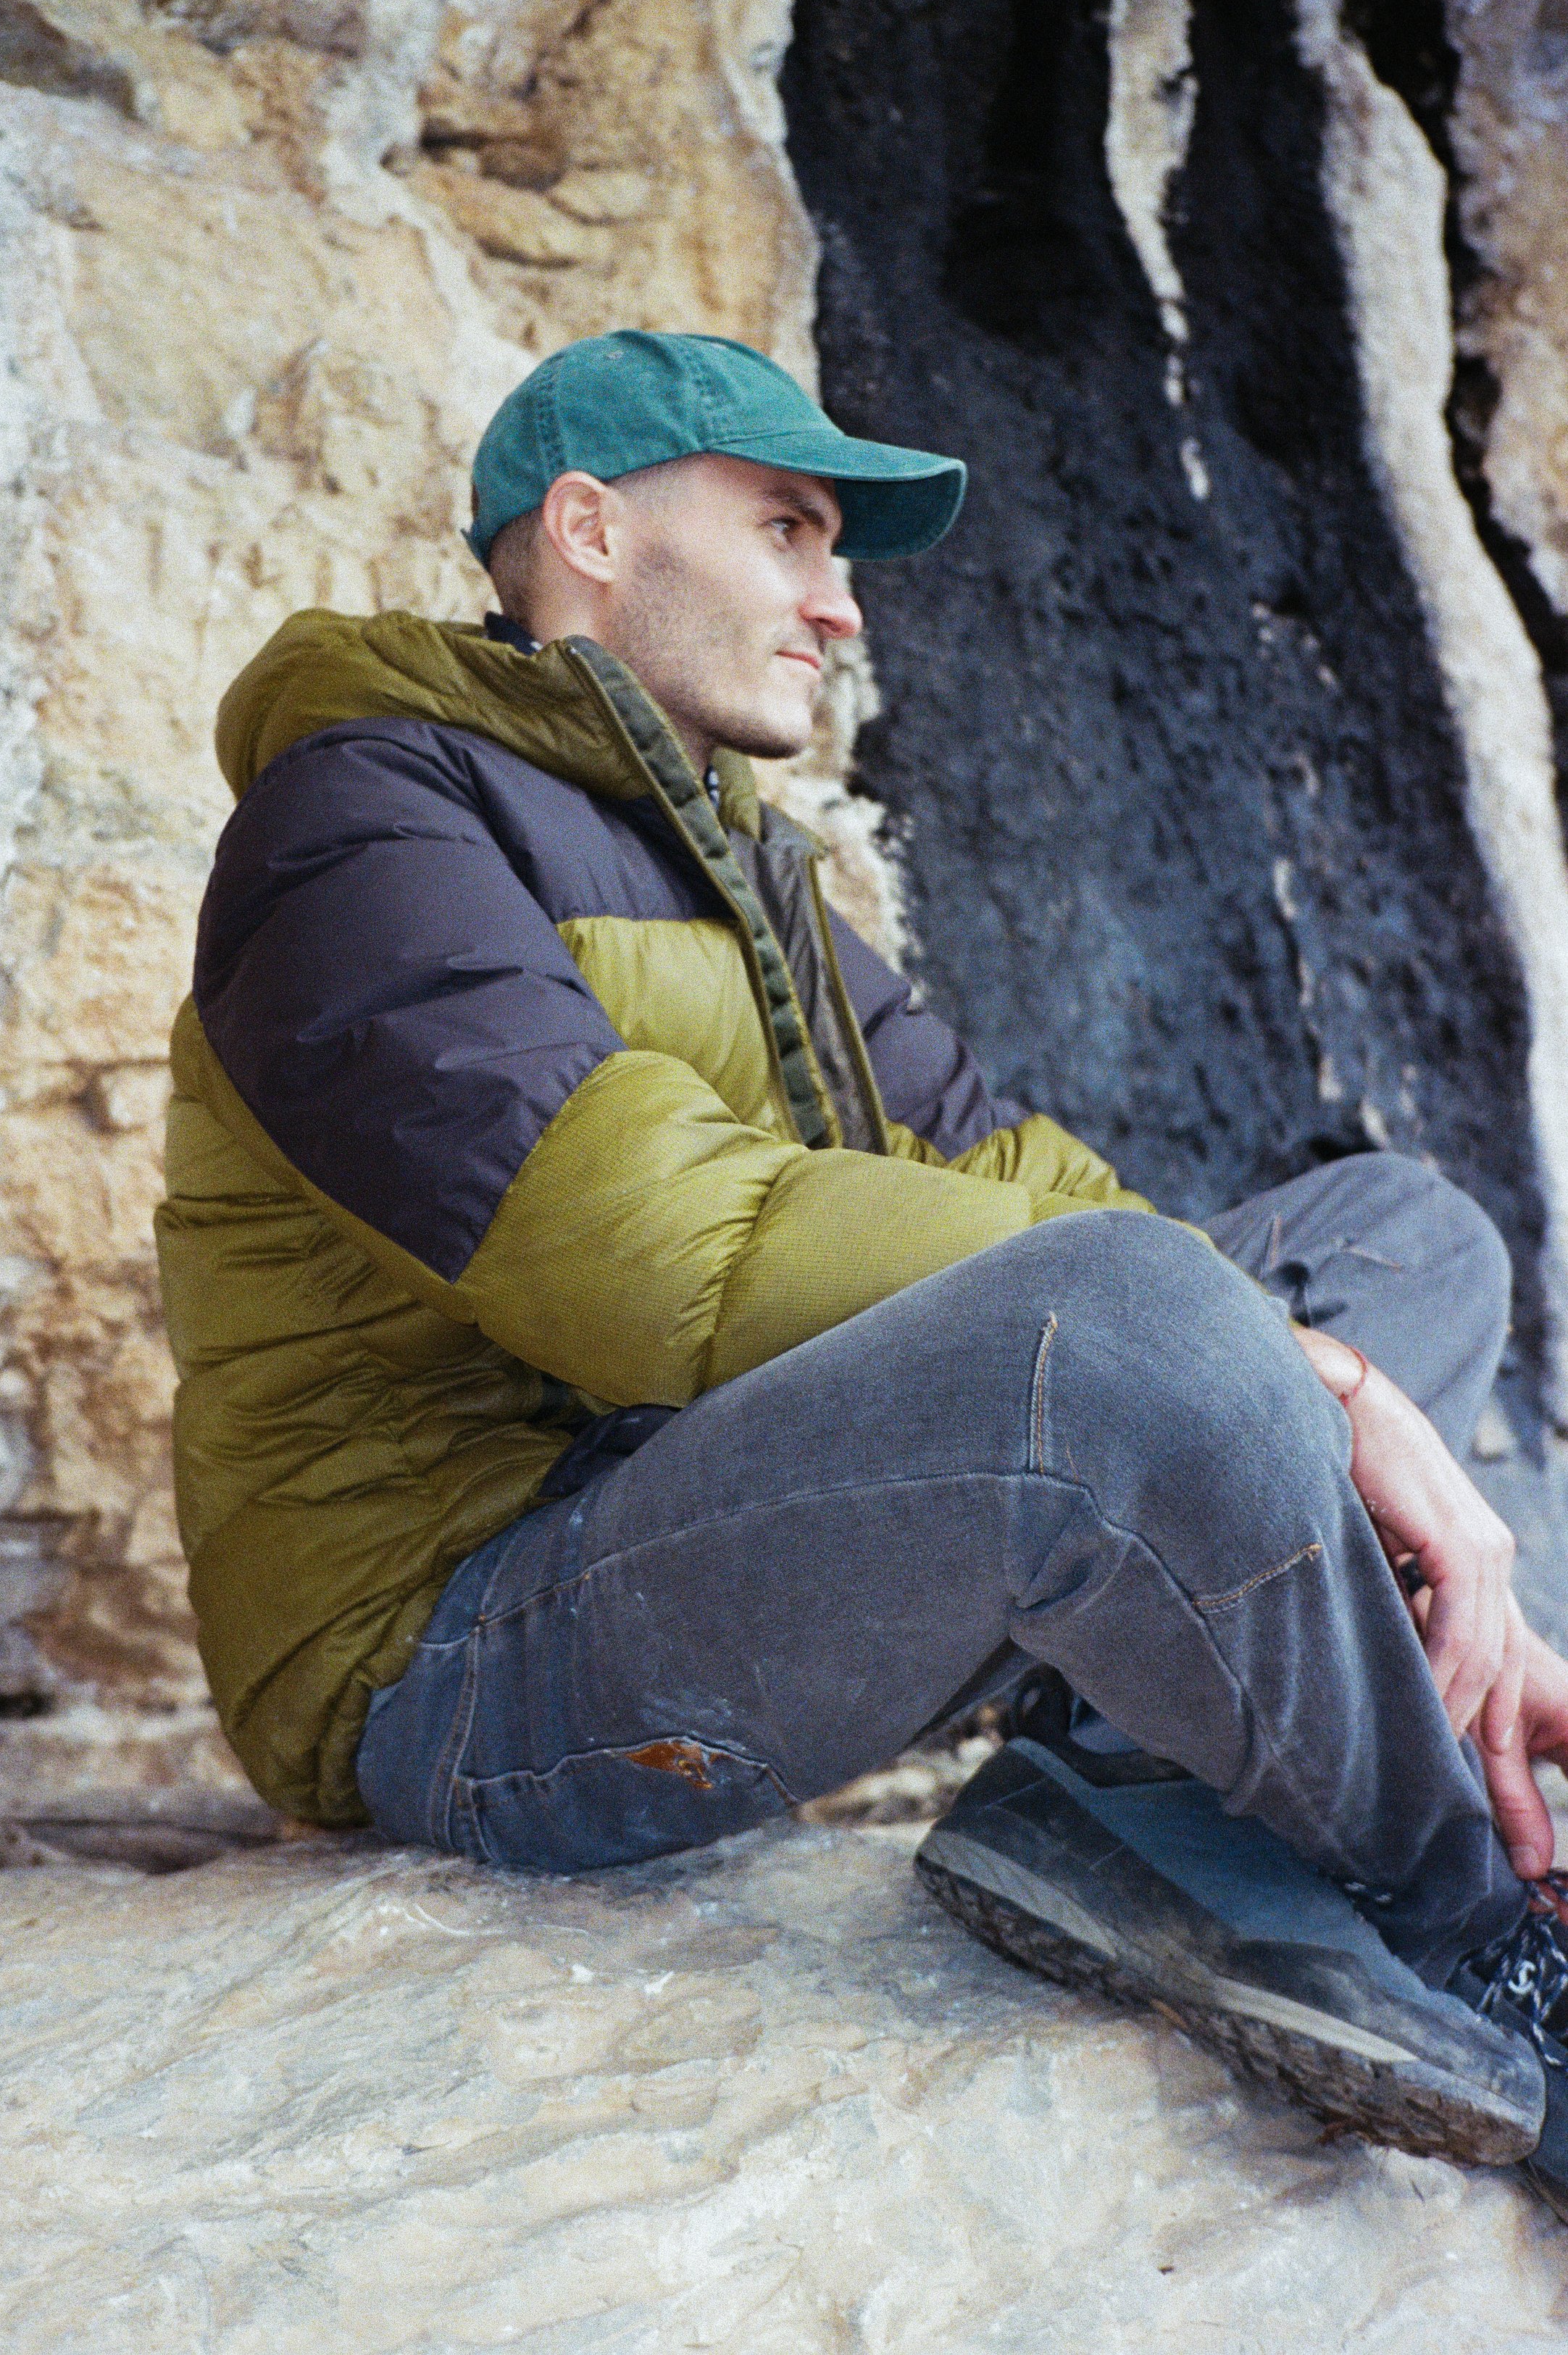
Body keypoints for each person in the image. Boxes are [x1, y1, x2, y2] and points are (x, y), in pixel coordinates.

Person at [156, 328, 1568, 2210]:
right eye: (791, 532)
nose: (837, 606)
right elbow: (635, 1250)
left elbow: (1023, 1173)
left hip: (727, 1535)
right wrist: (1321, 1384)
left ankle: (1119, 1792)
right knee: (1152, 1327)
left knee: (1399, 1227)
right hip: (456, 1665)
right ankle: (1471, 1923)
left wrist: (1315, 1375)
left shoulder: (748, 870)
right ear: (587, 527)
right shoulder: (353, 820)